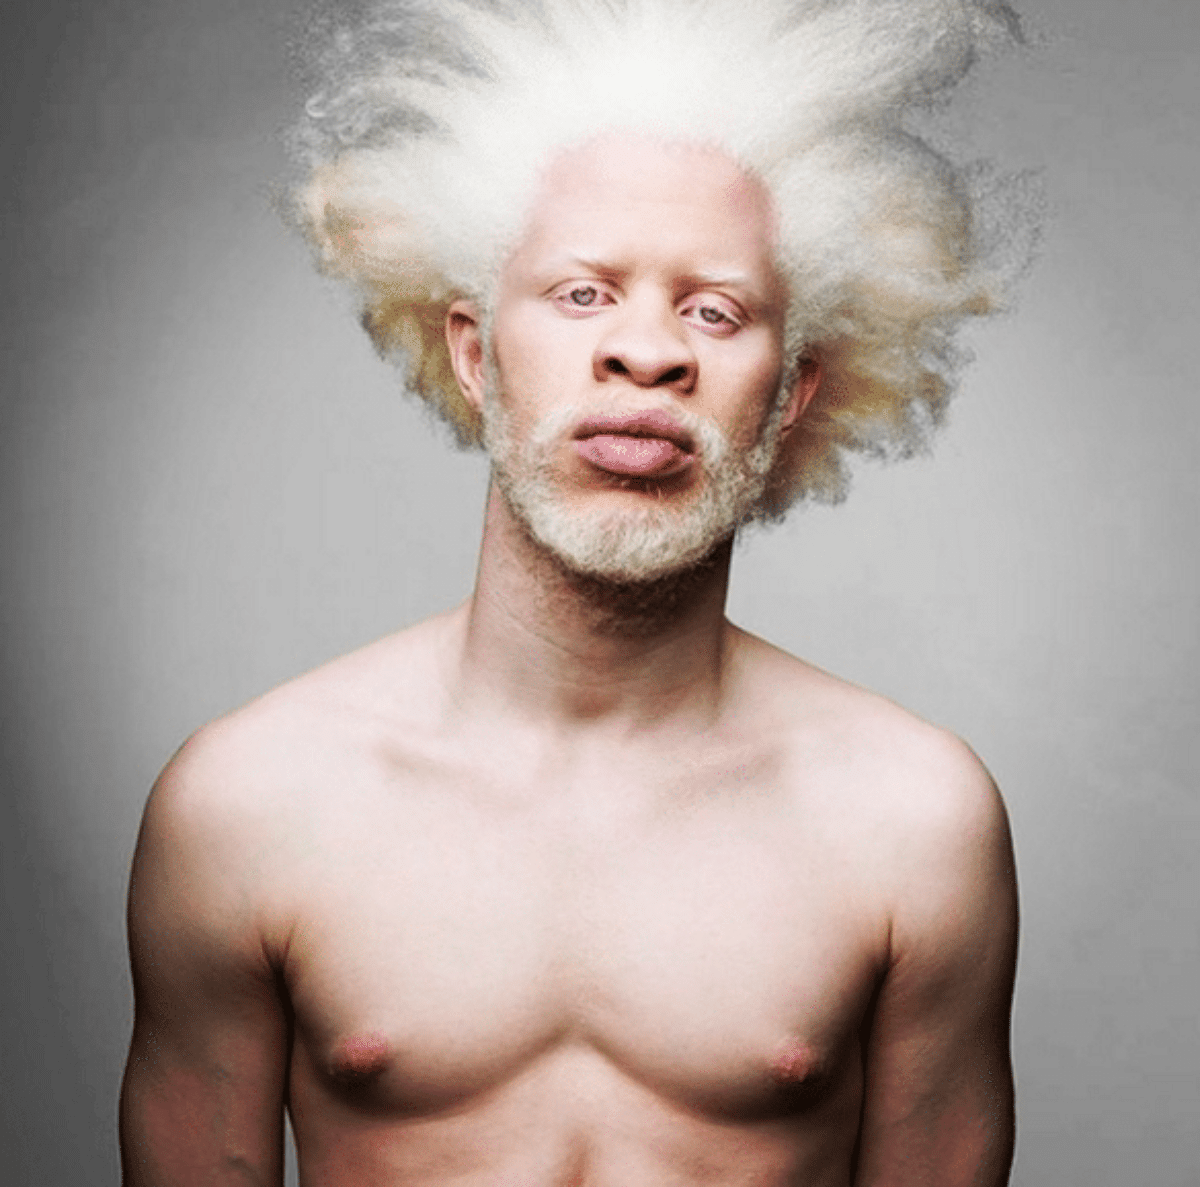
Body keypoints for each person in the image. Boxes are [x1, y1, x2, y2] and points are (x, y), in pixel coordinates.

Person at [120, 2, 1027, 1184]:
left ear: (792, 392)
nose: (647, 353)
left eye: (714, 309)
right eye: (584, 294)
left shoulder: (915, 823)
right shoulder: (245, 805)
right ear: (473, 353)